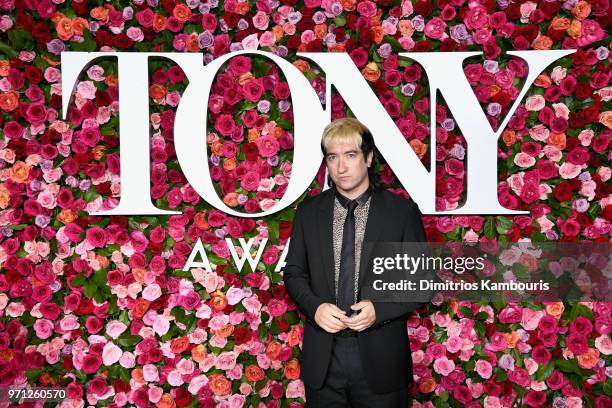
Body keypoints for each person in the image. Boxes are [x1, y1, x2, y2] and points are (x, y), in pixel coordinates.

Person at [283, 117, 429, 407]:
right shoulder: (309, 213)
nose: (341, 167)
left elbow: (421, 283)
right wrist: (316, 307)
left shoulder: (401, 212)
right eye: (333, 157)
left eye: (350, 155)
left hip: (381, 359)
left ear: (369, 158)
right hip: (324, 360)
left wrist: (379, 309)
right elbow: (294, 272)